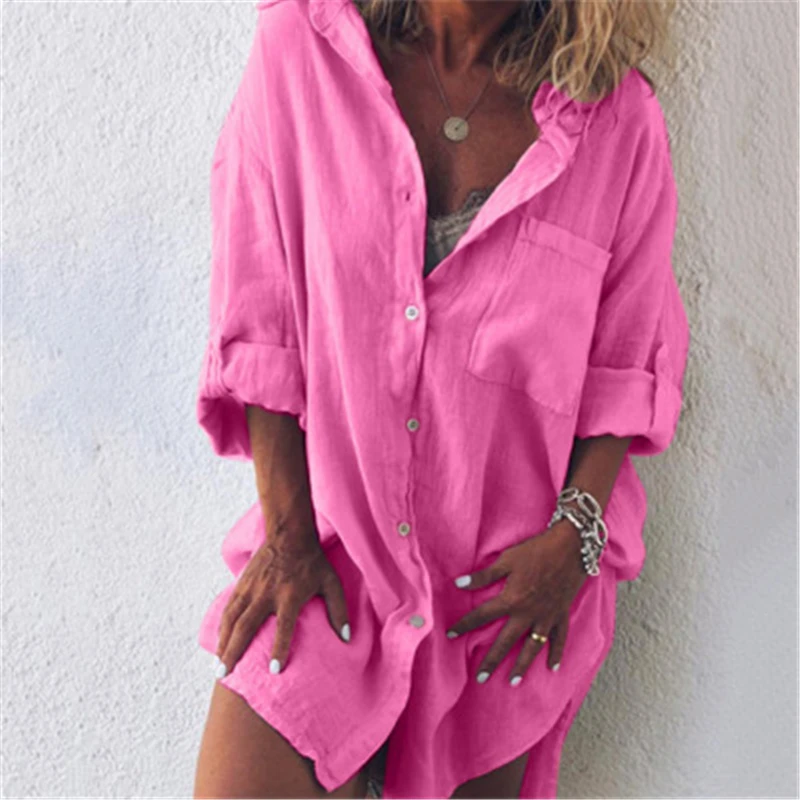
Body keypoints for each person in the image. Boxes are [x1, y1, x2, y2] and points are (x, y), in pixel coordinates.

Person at [192, 0, 690, 797]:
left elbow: (625, 367)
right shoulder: (304, 51)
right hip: (328, 561)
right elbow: (261, 316)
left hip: (500, 602)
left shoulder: (616, 122)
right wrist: (287, 535)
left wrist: (576, 539)